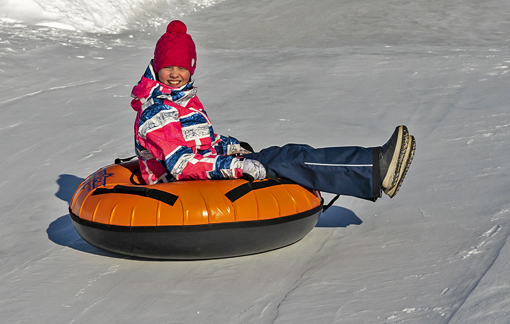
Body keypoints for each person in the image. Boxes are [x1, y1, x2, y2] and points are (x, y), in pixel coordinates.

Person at [131, 20, 416, 200]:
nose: (174, 74)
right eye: (168, 66)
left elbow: (200, 142)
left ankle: (372, 171)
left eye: (181, 67)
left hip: (203, 173)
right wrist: (236, 166)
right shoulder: (158, 111)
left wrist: (228, 146)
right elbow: (181, 163)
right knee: (286, 161)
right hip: (173, 188)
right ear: (157, 67)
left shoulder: (182, 100)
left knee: (290, 152)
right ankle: (373, 169)